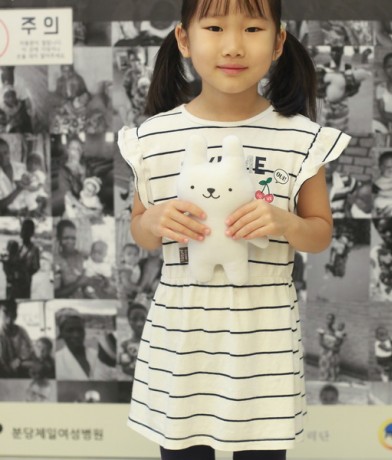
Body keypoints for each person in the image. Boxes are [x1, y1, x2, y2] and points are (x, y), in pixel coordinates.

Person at [117, 0, 350, 457]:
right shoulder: (152, 137)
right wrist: (153, 221)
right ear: (184, 38)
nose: (233, 45)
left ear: (278, 42)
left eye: (252, 29)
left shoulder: (300, 137)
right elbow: (140, 232)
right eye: (215, 27)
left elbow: (321, 233)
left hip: (263, 338)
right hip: (183, 335)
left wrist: (285, 222)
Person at [54, 307, 97, 380]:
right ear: (61, 333)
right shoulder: (57, 361)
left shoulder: (96, 355)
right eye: (70, 330)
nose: (76, 335)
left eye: (80, 329)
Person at [0, 299, 35, 378]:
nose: (9, 319)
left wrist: (20, 359)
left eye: (12, 313)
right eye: (5, 313)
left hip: (20, 367)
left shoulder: (22, 331)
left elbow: (30, 348)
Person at [53, 219, 87, 298]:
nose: (70, 242)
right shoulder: (56, 261)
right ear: (58, 238)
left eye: (73, 238)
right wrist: (78, 284)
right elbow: (55, 294)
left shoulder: (80, 256)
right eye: (66, 238)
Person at [13, 219, 40, 299]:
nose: (24, 232)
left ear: (31, 233)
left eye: (27, 230)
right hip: (13, 283)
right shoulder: (17, 246)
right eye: (23, 229)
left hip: (25, 284)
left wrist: (25, 273)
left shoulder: (34, 249)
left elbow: (36, 267)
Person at [119, 302, 147, 378]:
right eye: (134, 319)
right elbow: (125, 368)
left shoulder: (155, 343)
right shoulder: (125, 345)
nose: (139, 323)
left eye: (143, 319)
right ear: (129, 321)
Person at [0, 137, 27, 215]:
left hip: (29, 210)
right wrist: (18, 189)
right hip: (9, 214)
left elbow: (37, 190)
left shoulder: (22, 167)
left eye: (5, 153)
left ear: (9, 152)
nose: (2, 158)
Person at [373, 151, 392, 217]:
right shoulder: (378, 183)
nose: (390, 169)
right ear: (380, 168)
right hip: (386, 201)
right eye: (386, 166)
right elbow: (374, 196)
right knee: (377, 201)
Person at [317, 313, 345, 381]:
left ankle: (332, 378)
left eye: (331, 319)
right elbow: (321, 342)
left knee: (332, 370)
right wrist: (331, 348)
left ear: (333, 321)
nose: (329, 321)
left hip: (332, 354)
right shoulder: (322, 330)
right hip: (324, 353)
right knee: (324, 372)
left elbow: (338, 342)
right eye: (328, 319)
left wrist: (336, 347)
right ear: (326, 320)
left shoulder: (334, 332)